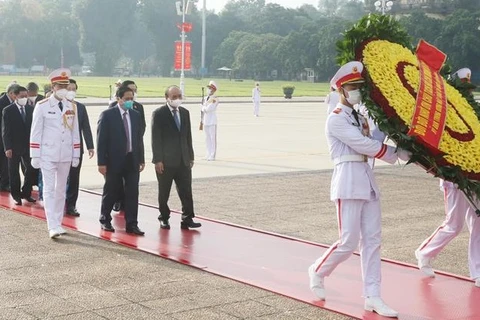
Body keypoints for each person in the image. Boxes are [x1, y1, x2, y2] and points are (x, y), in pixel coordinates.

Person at [308, 61, 410, 318]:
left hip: (367, 179)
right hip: (348, 180)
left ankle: (373, 296)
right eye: (353, 87)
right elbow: (362, 144)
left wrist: (392, 128)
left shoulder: (360, 116)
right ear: (341, 90)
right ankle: (318, 270)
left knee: (373, 241)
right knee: (348, 241)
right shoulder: (335, 120)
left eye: (359, 87)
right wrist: (396, 154)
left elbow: (373, 139)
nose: (358, 92)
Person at [415, 68, 480, 287]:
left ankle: (477, 271)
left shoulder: (474, 113)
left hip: (473, 177)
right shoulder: (445, 114)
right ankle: (425, 252)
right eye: (463, 90)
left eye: (469, 90)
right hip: (454, 178)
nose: (467, 95)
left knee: (479, 223)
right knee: (454, 224)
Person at [30, 68, 81, 239]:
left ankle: (58, 223)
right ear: (53, 87)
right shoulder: (42, 106)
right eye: (61, 86)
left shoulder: (72, 106)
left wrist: (76, 154)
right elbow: (35, 131)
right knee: (49, 190)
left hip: (65, 154)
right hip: (48, 154)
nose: (64, 89)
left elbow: (75, 131)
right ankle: (51, 225)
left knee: (61, 190)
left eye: (66, 86)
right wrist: (34, 154)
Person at [97, 86, 145, 235]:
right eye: (127, 99)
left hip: (132, 159)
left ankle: (132, 223)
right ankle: (105, 219)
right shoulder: (107, 115)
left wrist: (141, 159)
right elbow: (101, 141)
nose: (130, 101)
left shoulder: (136, 115)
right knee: (111, 190)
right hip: (113, 160)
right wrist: (101, 163)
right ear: (119, 99)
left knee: (132, 192)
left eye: (132, 98)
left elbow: (138, 139)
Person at [152, 85, 201, 230]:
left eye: (179, 96)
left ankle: (187, 218)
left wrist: (190, 156)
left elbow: (188, 136)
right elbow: (156, 138)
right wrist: (158, 159)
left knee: (186, 190)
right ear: (166, 98)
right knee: (164, 191)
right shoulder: (159, 113)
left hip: (183, 160)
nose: (177, 99)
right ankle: (164, 217)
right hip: (166, 161)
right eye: (174, 97)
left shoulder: (185, 113)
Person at [108, 80, 146, 212]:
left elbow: (141, 127)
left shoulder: (138, 108)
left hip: (133, 151)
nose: (133, 94)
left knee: (132, 185)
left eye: (134, 91)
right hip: (118, 153)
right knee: (117, 183)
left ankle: (130, 215)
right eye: (130, 90)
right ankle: (118, 201)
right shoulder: (113, 107)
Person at [65, 79, 94, 217]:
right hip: (61, 148)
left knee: (74, 177)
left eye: (73, 89)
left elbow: (86, 127)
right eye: (68, 88)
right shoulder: (59, 106)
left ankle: (71, 204)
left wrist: (90, 146)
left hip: (76, 148)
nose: (71, 91)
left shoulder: (80, 107)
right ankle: (58, 203)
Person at [2, 86, 35, 205]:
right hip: (14, 146)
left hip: (28, 146)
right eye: (22, 96)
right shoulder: (8, 110)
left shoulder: (31, 109)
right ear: (15, 96)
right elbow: (6, 131)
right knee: (14, 172)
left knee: (30, 169)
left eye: (26, 96)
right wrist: (7, 147)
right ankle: (16, 196)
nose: (24, 98)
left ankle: (26, 192)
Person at [0, 83, 20, 191]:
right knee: (3, 162)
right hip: (2, 137)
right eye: (17, 94)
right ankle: (4, 183)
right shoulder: (2, 103)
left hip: (9, 138)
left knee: (5, 162)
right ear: (11, 93)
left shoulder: (12, 103)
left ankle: (5, 183)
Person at [201, 81, 219, 161]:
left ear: (213, 90)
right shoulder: (206, 98)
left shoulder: (215, 98)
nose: (208, 89)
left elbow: (209, 109)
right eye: (208, 88)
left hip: (212, 121)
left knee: (212, 138)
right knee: (207, 138)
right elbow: (203, 109)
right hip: (206, 120)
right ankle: (208, 154)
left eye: (210, 88)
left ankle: (212, 155)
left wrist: (203, 108)